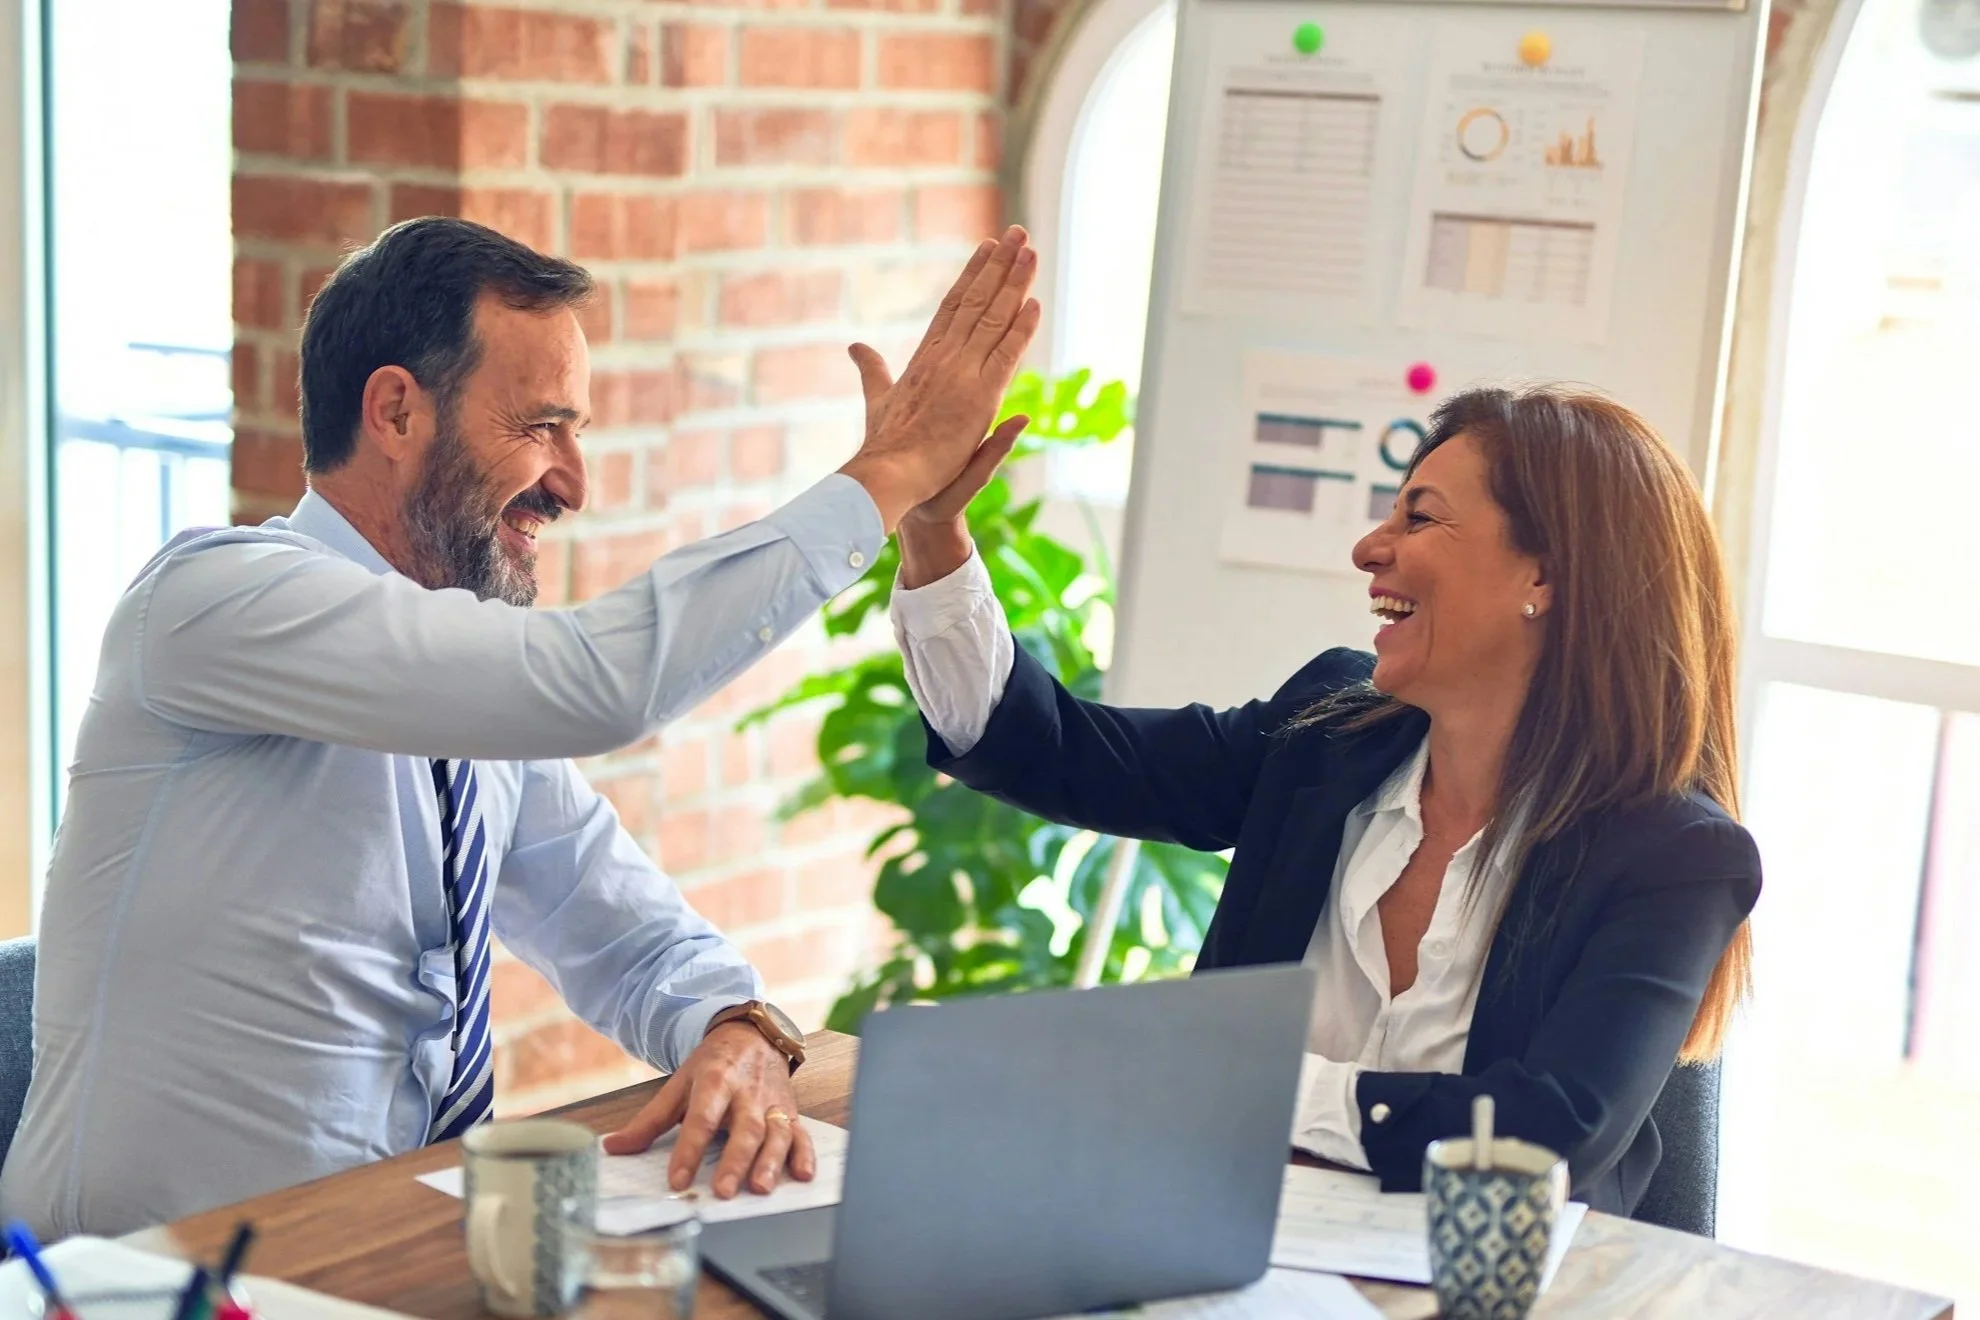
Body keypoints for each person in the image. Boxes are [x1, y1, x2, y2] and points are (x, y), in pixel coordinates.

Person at [0, 216, 1041, 1237]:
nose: (573, 483)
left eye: (576, 432)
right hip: (142, 1285)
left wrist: (737, 1027)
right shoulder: (214, 603)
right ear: (398, 413)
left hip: (375, 1258)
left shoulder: (465, 700)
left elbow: (628, 933)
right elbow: (600, 683)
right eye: (543, 425)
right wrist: (890, 474)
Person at [887, 384, 1760, 1214]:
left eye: (1419, 517)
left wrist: (1249, 1083)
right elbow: (1054, 750)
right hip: (1226, 1253)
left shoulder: (1674, 856)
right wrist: (933, 531)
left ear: (1545, 578)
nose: (1370, 548)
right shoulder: (1328, 737)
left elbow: (1546, 1137)